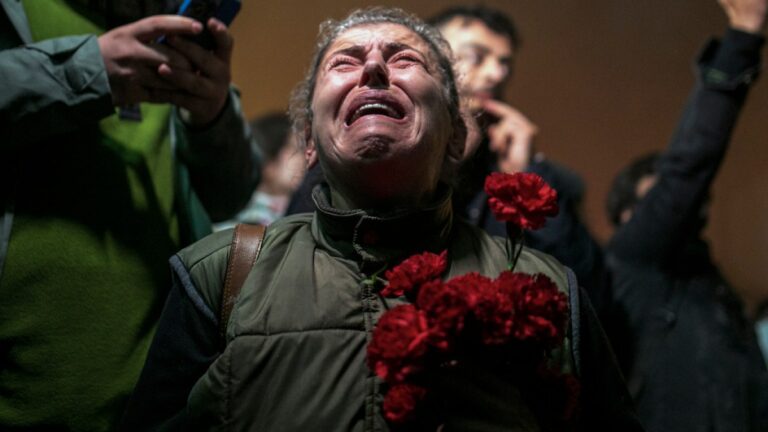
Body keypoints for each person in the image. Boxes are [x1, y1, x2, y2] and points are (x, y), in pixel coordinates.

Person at [123, 7, 642, 431]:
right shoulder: (218, 276)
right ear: (309, 142)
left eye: (405, 59)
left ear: (457, 136)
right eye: (344, 63)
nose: (373, 68)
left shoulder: (549, 289)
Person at [0, 0, 257, 430]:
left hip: (154, 406)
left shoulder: (169, 30)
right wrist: (84, 71)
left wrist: (212, 118)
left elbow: (230, 194)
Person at [287, 5, 603, 292]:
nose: (497, 75)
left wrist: (524, 179)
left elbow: (584, 292)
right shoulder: (342, 159)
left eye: (504, 63)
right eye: (477, 57)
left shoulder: (529, 167)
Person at [602, 0, 768, 430]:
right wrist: (741, 41)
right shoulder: (632, 261)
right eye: (659, 204)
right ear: (627, 216)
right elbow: (688, 168)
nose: (683, 209)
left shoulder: (712, 287)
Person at [213, 112, 305, 230]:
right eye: (296, 148)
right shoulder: (234, 221)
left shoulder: (298, 208)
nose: (305, 157)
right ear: (269, 161)